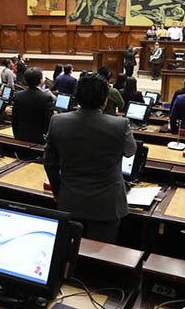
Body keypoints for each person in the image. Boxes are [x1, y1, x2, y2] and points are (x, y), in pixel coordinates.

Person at [44, 73, 136, 243]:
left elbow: (49, 162)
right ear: (105, 100)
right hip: (107, 205)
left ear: (77, 96)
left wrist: (58, 191)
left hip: (70, 200)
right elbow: (130, 151)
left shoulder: (57, 121)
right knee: (101, 258)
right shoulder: (120, 125)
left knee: (69, 253)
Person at [12, 68, 54, 144]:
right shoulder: (46, 98)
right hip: (39, 140)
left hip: (20, 136)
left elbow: (15, 119)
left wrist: (16, 136)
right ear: (41, 80)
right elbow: (48, 121)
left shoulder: (18, 95)